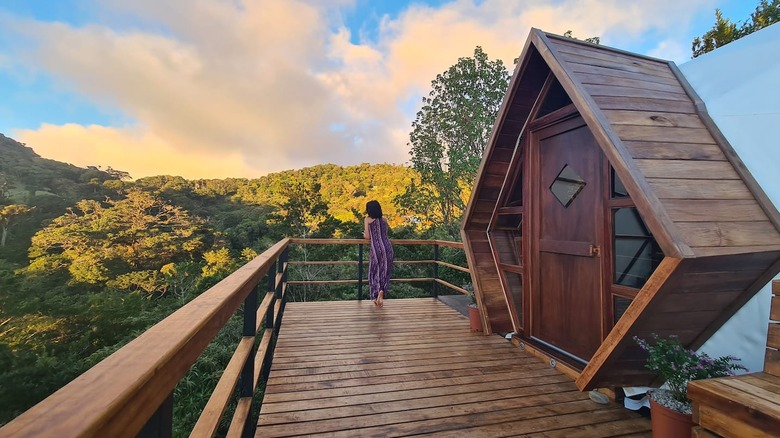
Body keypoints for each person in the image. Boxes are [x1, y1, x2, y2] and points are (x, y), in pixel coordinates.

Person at [363, 200, 393, 307]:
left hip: (376, 247)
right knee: (385, 270)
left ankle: (377, 292)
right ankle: (381, 291)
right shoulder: (384, 220)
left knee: (375, 270)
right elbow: (386, 232)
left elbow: (367, 236)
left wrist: (365, 235)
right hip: (387, 246)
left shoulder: (368, 220)